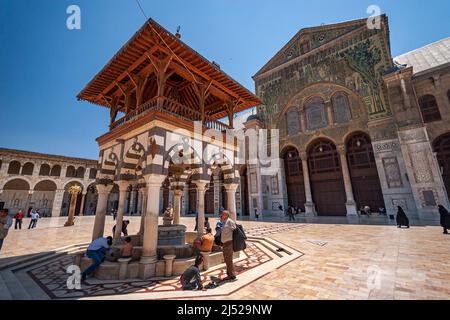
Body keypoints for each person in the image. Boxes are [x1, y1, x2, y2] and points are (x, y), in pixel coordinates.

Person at [220, 210, 236, 281]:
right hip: (225, 244)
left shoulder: (230, 221)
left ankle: (231, 275)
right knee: (227, 260)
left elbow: (235, 231)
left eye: (223, 214)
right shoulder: (224, 222)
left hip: (229, 243)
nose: (221, 215)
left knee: (229, 260)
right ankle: (231, 274)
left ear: (226, 215)